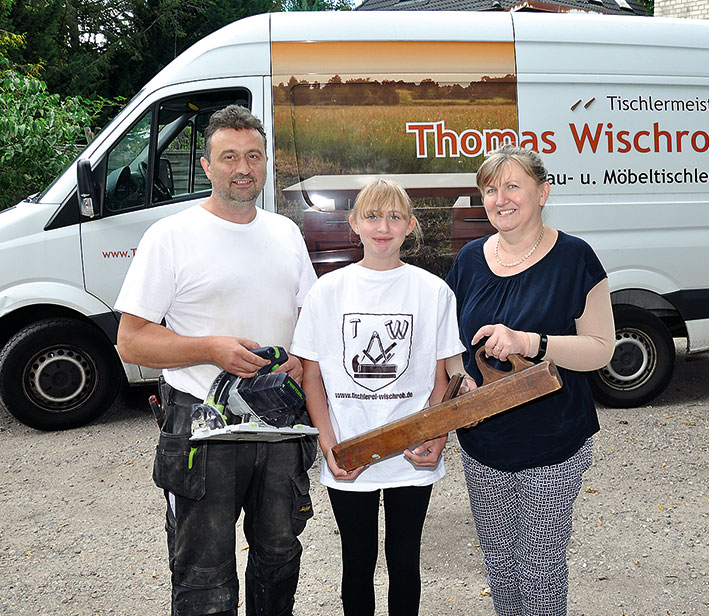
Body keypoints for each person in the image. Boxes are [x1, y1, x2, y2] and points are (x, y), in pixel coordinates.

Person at [115, 105, 318, 616]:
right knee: (203, 572)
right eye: (229, 156)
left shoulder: (285, 234)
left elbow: (307, 323)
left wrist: (298, 360)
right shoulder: (171, 235)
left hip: (279, 424)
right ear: (206, 166)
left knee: (278, 556)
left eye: (253, 156)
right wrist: (210, 348)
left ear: (266, 163)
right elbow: (131, 342)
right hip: (200, 427)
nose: (242, 167)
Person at [445, 144, 615, 616]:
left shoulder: (575, 258)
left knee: (540, 569)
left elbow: (601, 349)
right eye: (490, 189)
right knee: (500, 564)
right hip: (483, 445)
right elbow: (452, 349)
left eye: (513, 185)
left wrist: (530, 342)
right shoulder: (470, 260)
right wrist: (461, 380)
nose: (500, 198)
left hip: (554, 443)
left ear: (542, 192)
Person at [290, 179, 470, 616]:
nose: (383, 226)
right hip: (351, 451)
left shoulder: (433, 291)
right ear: (354, 224)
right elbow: (311, 376)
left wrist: (438, 438)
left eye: (394, 217)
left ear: (410, 226)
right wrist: (328, 445)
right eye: (372, 216)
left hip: (413, 450)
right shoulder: (328, 291)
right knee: (357, 563)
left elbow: (448, 374)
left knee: (405, 561)